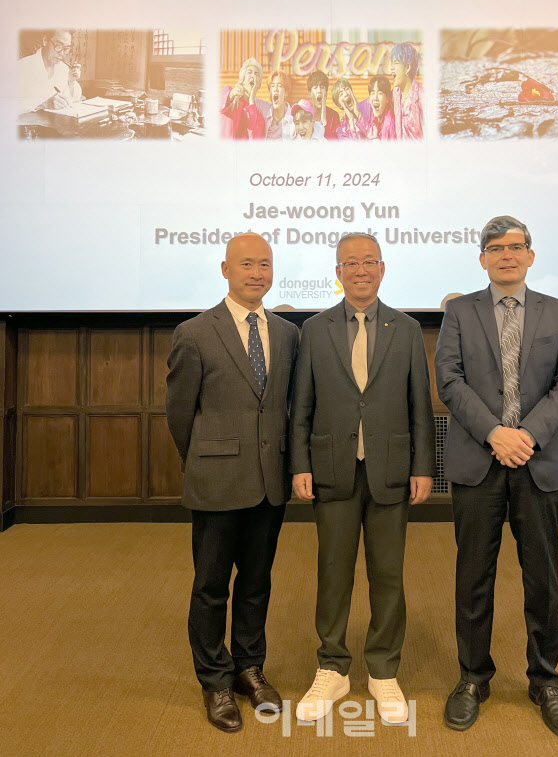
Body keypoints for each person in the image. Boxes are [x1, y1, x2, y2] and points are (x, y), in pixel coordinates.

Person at [434, 215, 558, 739]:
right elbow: (449, 380)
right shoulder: (460, 312)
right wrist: (496, 432)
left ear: (530, 255)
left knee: (542, 578)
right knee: (473, 577)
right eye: (495, 248)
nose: (506, 255)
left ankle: (545, 680)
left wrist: (526, 437)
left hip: (537, 463)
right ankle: (473, 677)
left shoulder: (557, 312)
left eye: (515, 246)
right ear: (482, 258)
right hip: (479, 459)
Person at [291, 233, 436, 725]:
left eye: (368, 261)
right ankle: (332, 667)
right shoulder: (314, 329)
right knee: (332, 571)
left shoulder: (408, 328)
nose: (359, 270)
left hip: (392, 470)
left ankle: (382, 668)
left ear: (382, 268)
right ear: (337, 271)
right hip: (331, 468)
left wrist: (423, 467)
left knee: (387, 574)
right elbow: (302, 406)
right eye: (349, 263)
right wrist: (299, 463)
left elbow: (420, 403)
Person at [166, 233, 299, 734]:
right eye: (247, 264)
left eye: (265, 264)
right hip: (217, 481)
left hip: (270, 483)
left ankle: (248, 668)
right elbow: (180, 416)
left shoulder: (288, 333)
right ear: (225, 269)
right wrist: (201, 462)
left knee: (257, 582)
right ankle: (215, 680)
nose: (257, 273)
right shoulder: (195, 332)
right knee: (211, 586)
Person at [18, 29, 73, 114]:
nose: (61, 53)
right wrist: (43, 104)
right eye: (58, 46)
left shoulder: (63, 69)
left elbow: (68, 102)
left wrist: (71, 82)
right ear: (45, 41)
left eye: (66, 49)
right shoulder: (23, 67)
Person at [220, 58, 272, 139]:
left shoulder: (259, 119)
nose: (253, 76)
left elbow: (254, 140)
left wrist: (251, 100)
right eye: (249, 72)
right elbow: (220, 107)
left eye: (256, 74)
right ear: (242, 79)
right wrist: (231, 95)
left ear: (259, 85)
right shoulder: (228, 95)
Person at [389, 42, 423, 140]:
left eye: (396, 63)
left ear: (407, 68)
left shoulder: (423, 97)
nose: (391, 67)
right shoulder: (394, 95)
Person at [358, 75, 396, 140]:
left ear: (387, 98)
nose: (375, 98)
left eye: (380, 93)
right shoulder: (376, 119)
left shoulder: (389, 123)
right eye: (372, 93)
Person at [306, 70, 339, 139]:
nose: (319, 91)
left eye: (322, 87)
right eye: (315, 87)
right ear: (309, 93)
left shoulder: (334, 116)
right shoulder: (304, 115)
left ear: (326, 93)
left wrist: (324, 123)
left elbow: (334, 144)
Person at [266, 70, 295, 140]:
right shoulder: (264, 112)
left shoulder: (294, 118)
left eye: (279, 86)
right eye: (272, 86)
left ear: (286, 93)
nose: (275, 89)